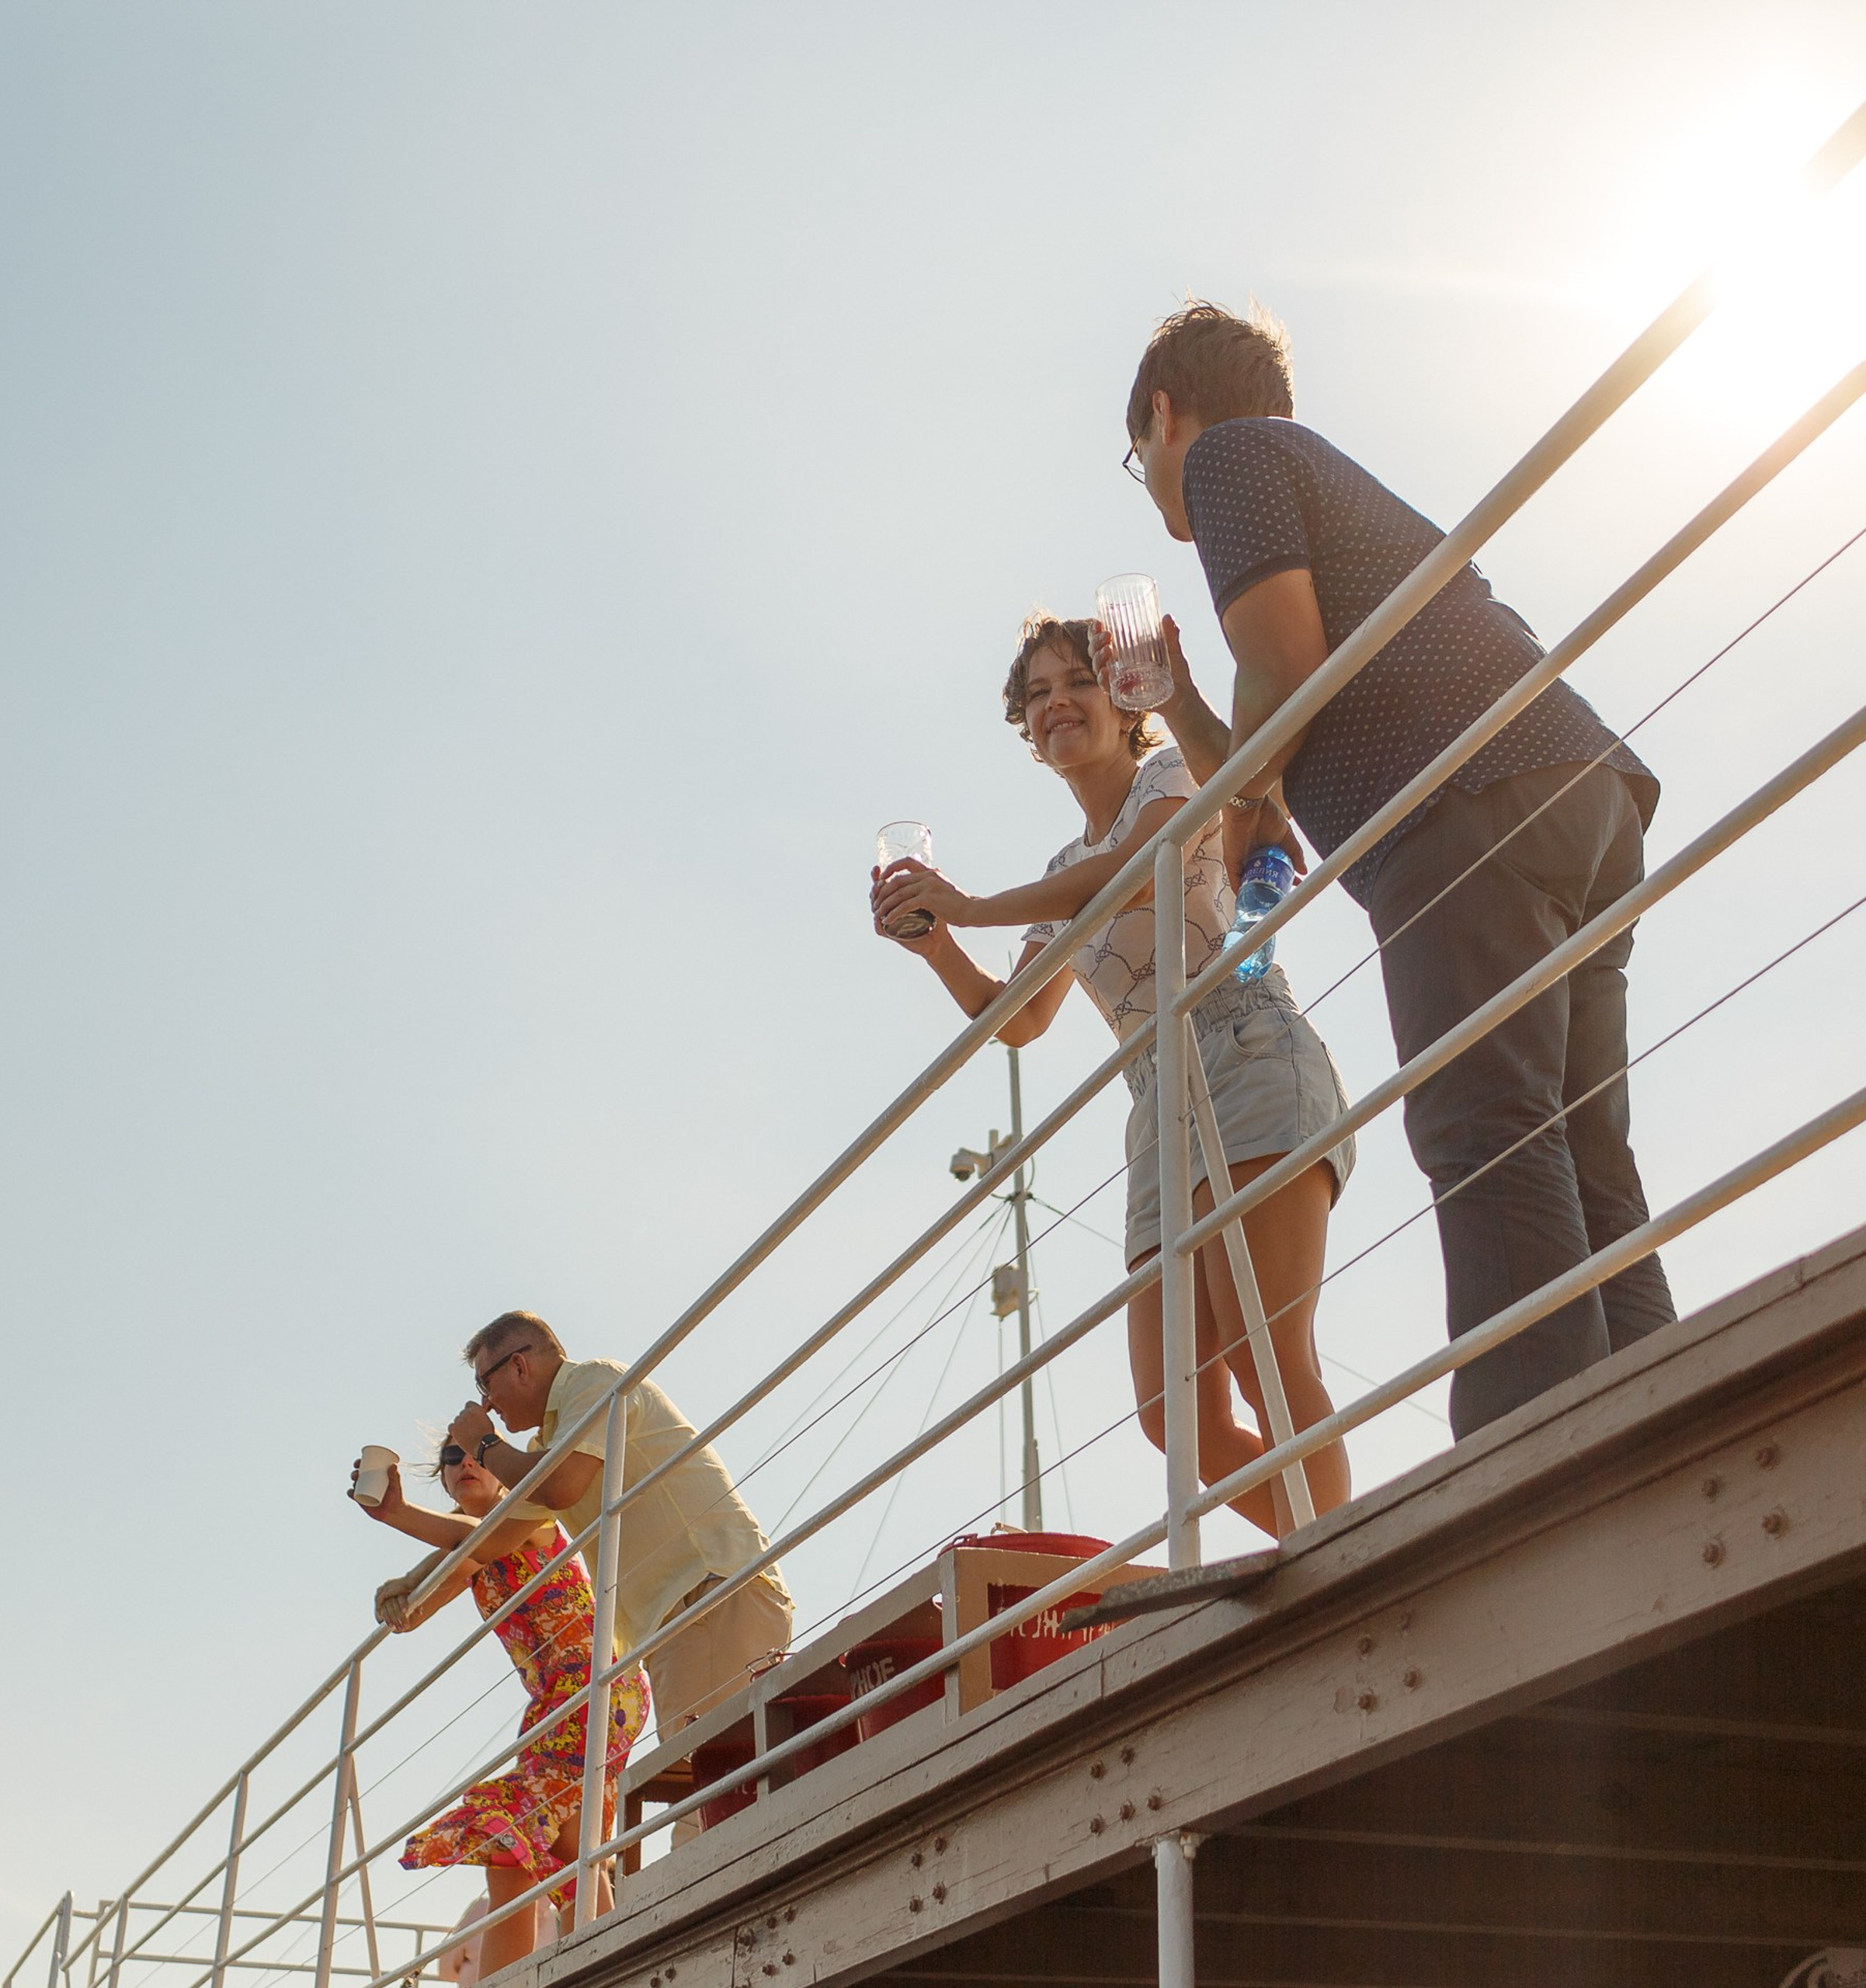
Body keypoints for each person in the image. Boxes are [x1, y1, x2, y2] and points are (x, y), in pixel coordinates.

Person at [1120, 300, 1676, 1437]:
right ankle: (1666, 1412)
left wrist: (1234, 819)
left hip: (1462, 803)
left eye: (1140, 455)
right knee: (1579, 1138)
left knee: (1486, 1126)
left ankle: (1543, 1451)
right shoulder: (1295, 464)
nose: (1150, 477)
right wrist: (1184, 706)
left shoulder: (1227, 459)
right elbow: (1283, 719)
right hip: (1572, 784)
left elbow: (1287, 663)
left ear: (1165, 414)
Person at [872, 612, 1355, 1532]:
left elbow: (1140, 875)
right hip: (1153, 1103)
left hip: (1243, 1045)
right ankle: (1316, 1536)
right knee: (1174, 1415)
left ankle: (1345, 1557)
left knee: (1266, 1352)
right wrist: (936, 942)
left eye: (1077, 683)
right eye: (1039, 693)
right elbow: (1019, 1018)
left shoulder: (1171, 773)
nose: (1057, 704)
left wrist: (972, 905)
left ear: (1122, 698)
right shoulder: (1062, 872)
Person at [352, 1441, 648, 1968]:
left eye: (478, 1455)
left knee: (534, 1834)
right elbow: (418, 1608)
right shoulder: (469, 1546)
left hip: (596, 1686)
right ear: (442, 1480)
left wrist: (395, 1515)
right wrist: (402, 1589)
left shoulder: (529, 1515)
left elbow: (479, 1537)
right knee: (518, 1855)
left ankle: (607, 1969)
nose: (466, 1462)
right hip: (554, 1701)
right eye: (452, 1457)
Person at [443, 1313, 795, 1750]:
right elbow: (493, 1539)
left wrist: (483, 1444)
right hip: (687, 1614)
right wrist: (396, 1519)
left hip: (708, 1599)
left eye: (484, 1385)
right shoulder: (544, 1451)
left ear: (519, 1366)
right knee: (713, 1794)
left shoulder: (593, 1382)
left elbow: (561, 1486)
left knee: (713, 1792)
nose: (488, 1404)